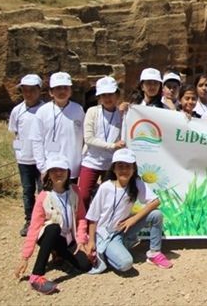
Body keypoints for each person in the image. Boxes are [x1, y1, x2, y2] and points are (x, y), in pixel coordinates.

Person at [86, 148, 173, 273]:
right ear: (114, 169)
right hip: (106, 235)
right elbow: (93, 217)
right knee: (126, 264)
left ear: (134, 169)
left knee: (156, 214)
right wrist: (91, 242)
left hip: (124, 229)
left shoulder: (136, 184)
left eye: (128, 166)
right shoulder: (105, 187)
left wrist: (133, 219)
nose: (124, 170)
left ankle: (154, 253)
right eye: (120, 166)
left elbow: (155, 201)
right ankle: (109, 253)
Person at [15, 156, 91, 295]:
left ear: (68, 172)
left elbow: (81, 218)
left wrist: (81, 241)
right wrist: (25, 257)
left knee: (85, 265)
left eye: (61, 169)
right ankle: (36, 276)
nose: (58, 173)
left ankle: (58, 253)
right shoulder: (44, 196)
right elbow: (34, 227)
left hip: (68, 238)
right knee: (53, 228)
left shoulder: (75, 190)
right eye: (54, 170)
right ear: (48, 174)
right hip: (50, 235)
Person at [78, 76, 125, 210]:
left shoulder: (122, 114)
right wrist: (112, 146)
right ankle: (83, 224)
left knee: (108, 198)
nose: (107, 98)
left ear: (117, 95)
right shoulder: (92, 112)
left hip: (111, 163)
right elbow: (89, 139)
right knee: (83, 195)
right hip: (91, 160)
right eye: (103, 95)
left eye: (110, 94)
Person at [29, 72, 84, 183]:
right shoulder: (42, 112)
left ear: (70, 91)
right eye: (58, 88)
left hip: (72, 167)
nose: (62, 91)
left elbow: (85, 139)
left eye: (65, 88)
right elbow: (36, 141)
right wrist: (42, 167)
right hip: (50, 167)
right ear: (51, 92)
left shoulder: (78, 110)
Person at [9, 74, 45, 236]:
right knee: (27, 191)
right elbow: (15, 132)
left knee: (43, 190)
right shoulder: (17, 111)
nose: (28, 94)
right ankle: (30, 220)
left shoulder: (46, 110)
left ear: (39, 90)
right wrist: (19, 151)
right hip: (24, 159)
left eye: (32, 90)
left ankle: (43, 219)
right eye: (25, 90)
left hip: (42, 159)